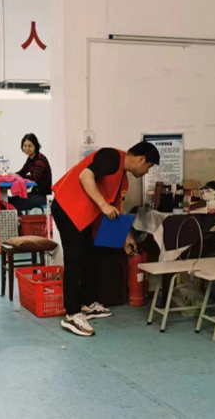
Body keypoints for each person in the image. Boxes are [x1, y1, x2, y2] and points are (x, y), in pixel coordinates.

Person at [51, 142, 160, 337]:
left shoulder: (123, 180)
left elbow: (118, 209)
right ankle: (72, 314)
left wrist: (127, 237)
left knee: (91, 255)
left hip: (83, 215)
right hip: (67, 208)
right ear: (142, 159)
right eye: (149, 167)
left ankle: (87, 304)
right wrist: (103, 205)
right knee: (75, 259)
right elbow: (85, 176)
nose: (146, 172)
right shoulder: (112, 157)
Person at [9, 133, 52, 213]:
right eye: (25, 146)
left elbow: (35, 177)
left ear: (35, 146)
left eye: (30, 146)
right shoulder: (30, 159)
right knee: (11, 200)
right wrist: (13, 175)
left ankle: (19, 220)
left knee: (16, 203)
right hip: (35, 193)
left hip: (43, 196)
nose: (27, 148)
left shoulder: (40, 159)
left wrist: (19, 176)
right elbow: (23, 172)